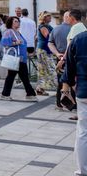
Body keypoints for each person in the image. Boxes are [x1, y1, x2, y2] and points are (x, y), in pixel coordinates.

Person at [60, 22, 87, 176]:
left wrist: (69, 84)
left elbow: (69, 67)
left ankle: (83, 170)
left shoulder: (78, 39)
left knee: (83, 132)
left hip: (84, 91)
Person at [0, 16, 37, 101]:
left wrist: (26, 53)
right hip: (15, 58)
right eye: (16, 21)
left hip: (21, 58)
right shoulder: (9, 31)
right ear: (11, 23)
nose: (18, 23)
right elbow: (4, 42)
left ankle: (29, 94)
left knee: (23, 77)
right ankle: (29, 94)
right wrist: (16, 42)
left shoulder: (17, 32)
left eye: (18, 21)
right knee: (13, 77)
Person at [49, 11, 73, 110]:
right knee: (73, 81)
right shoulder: (74, 29)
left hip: (59, 58)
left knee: (61, 80)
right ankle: (73, 104)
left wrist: (57, 53)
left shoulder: (55, 29)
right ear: (69, 17)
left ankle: (59, 103)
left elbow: (50, 43)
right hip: (71, 58)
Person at [36, 10, 56, 95]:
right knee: (50, 69)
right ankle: (59, 89)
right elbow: (48, 37)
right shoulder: (43, 27)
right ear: (44, 18)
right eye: (49, 16)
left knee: (43, 69)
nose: (50, 17)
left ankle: (40, 88)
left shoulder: (48, 26)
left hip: (46, 49)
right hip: (43, 50)